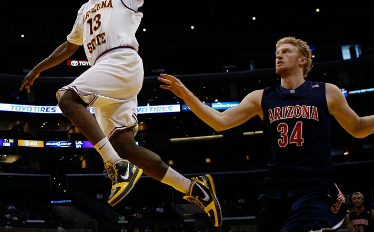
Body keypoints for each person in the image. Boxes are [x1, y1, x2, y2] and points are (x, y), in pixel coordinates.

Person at [19, 0, 220, 226]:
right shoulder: (85, 8)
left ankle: (115, 166)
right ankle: (194, 188)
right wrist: (39, 68)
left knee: (67, 97)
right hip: (109, 75)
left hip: (121, 60)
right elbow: (69, 46)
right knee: (126, 145)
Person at [158, 36, 374, 232]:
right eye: (277, 53)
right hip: (276, 186)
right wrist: (186, 96)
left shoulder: (326, 91)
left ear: (303, 60)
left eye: (286, 51)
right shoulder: (261, 97)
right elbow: (220, 122)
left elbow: (358, 128)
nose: (279, 55)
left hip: (313, 185)